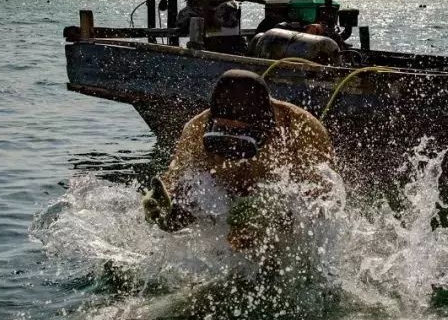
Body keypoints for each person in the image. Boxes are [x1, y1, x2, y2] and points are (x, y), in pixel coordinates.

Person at [143, 71, 334, 251]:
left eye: (240, 134)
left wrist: (270, 216)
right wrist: (163, 200)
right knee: (180, 209)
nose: (232, 147)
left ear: (265, 126)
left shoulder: (301, 129)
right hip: (221, 196)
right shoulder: (197, 129)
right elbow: (176, 174)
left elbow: (320, 195)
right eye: (224, 134)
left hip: (276, 202)